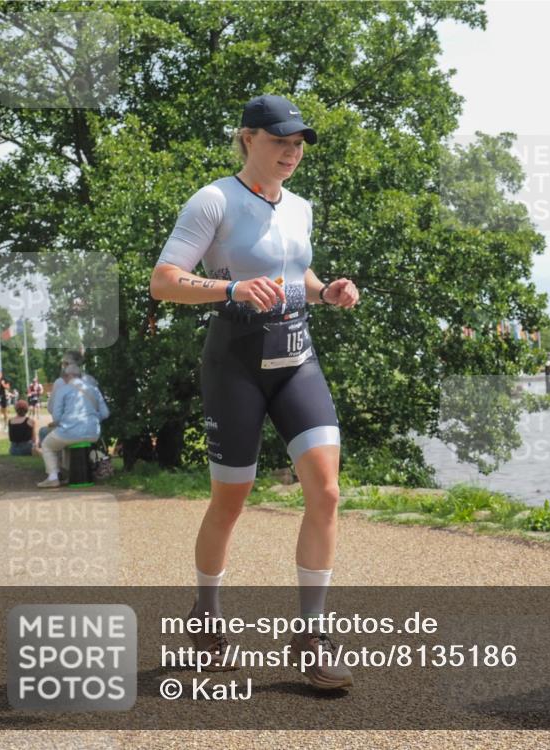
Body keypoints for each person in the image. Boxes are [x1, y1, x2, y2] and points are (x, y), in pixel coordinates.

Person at [149, 94, 360, 689]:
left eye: (298, 144)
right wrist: (230, 290)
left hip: (298, 359)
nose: (291, 152)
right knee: (231, 501)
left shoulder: (301, 207)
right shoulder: (214, 199)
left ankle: (312, 636)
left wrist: (328, 292)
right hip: (236, 364)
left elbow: (298, 277)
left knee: (326, 491)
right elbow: (163, 282)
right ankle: (207, 617)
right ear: (248, 139)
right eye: (279, 141)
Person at [38, 353, 110, 488]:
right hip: (94, 432)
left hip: (71, 431)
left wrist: (67, 420)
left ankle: (53, 477)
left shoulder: (63, 389)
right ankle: (76, 474)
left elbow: (56, 417)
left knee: (47, 445)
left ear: (69, 376)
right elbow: (105, 413)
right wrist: (92, 417)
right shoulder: (93, 388)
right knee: (68, 439)